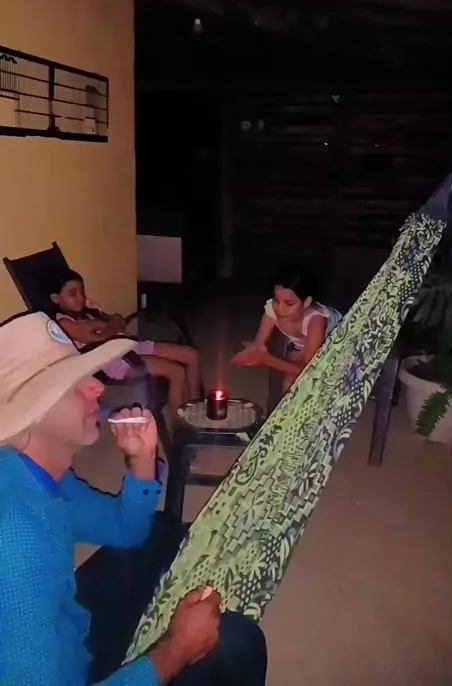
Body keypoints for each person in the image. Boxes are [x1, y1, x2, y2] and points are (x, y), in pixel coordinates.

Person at [0, 311, 268, 685]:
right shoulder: (17, 545)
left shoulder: (34, 474)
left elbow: (128, 530)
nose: (96, 387)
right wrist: (176, 650)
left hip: (70, 633)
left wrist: (142, 461)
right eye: (72, 385)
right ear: (30, 418)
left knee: (161, 531)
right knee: (238, 643)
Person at [49, 267, 202, 414]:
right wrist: (108, 327)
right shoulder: (64, 323)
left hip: (128, 345)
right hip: (114, 359)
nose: (81, 298)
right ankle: (180, 424)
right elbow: (101, 339)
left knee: (192, 355)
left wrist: (102, 326)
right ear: (56, 299)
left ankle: (196, 409)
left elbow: (118, 321)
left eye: (82, 291)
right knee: (176, 371)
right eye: (73, 294)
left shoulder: (89, 308)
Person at [231, 264, 342, 394]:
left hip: (332, 346)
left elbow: (310, 369)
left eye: (289, 303)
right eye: (276, 300)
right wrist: (252, 351)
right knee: (288, 384)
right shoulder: (272, 310)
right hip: (299, 344)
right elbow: (258, 345)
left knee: (305, 383)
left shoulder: (316, 320)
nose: (280, 309)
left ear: (306, 302)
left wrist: (267, 359)